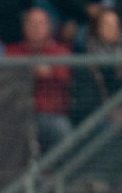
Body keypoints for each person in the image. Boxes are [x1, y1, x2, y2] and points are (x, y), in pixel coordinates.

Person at [4, 8, 72, 157]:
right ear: (24, 27)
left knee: (61, 130)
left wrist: (27, 69)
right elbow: (5, 79)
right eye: (32, 23)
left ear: (49, 27)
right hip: (17, 116)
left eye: (41, 23)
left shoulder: (60, 52)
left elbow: (62, 76)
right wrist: (39, 70)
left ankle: (63, 178)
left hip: (50, 115)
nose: (36, 28)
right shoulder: (11, 51)